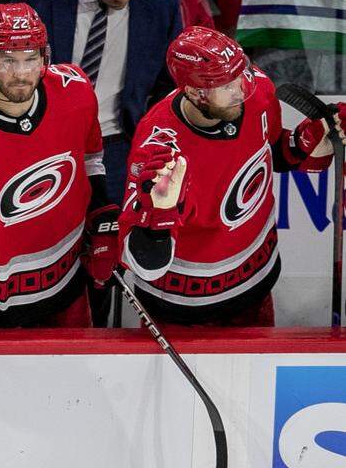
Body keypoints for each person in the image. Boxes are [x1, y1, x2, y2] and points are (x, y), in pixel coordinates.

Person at [118, 26, 345, 326]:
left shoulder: (257, 90)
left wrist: (306, 141)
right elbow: (144, 263)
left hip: (256, 283)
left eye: (241, 75)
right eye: (226, 86)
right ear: (195, 92)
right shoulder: (159, 148)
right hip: (182, 308)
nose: (241, 90)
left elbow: (272, 152)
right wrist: (159, 215)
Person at [0, 3, 118, 328]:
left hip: (65, 284)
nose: (21, 73)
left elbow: (90, 158)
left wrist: (101, 215)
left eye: (30, 59)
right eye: (8, 61)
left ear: (45, 58)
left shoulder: (76, 92)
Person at [12, 0, 182, 203]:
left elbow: (169, 80)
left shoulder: (161, 1)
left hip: (118, 146)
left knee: (109, 230)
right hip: (43, 141)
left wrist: (152, 137)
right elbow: (2, 68)